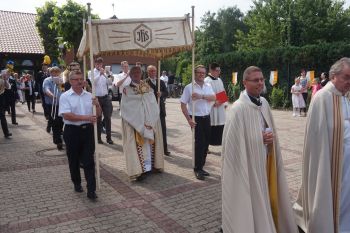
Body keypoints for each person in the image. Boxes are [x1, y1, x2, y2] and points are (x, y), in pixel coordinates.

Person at [221, 66, 298, 233]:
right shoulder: (237, 109)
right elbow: (233, 146)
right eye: (255, 80)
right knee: (253, 198)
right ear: (244, 83)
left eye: (262, 79)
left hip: (264, 161)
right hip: (248, 166)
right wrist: (259, 139)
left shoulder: (264, 103)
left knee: (266, 195)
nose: (260, 83)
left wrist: (269, 140)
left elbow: (267, 129)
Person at [293, 57, 350, 233]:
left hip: (346, 161)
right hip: (331, 161)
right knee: (331, 197)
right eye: (346, 77)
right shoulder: (322, 97)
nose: (349, 82)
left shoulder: (344, 97)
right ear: (333, 76)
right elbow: (316, 139)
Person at [59, 70, 101, 200]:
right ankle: (77, 182)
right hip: (72, 132)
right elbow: (67, 115)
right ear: (70, 81)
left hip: (88, 132)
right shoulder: (65, 96)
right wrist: (87, 117)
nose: (80, 81)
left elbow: (98, 114)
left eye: (81, 79)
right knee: (74, 161)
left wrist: (97, 104)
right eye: (76, 79)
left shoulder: (90, 95)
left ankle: (91, 190)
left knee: (89, 161)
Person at [120, 66, 164, 181]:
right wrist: (141, 99)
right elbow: (126, 106)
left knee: (149, 147)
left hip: (148, 121)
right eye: (133, 73)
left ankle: (150, 168)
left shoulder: (147, 87)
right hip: (136, 122)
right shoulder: (126, 89)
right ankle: (140, 170)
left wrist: (154, 96)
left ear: (141, 74)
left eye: (138, 72)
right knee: (138, 147)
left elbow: (151, 101)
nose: (136, 74)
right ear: (130, 75)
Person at [180, 65, 216, 180]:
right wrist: (189, 120)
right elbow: (183, 104)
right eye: (199, 73)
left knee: (206, 144)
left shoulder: (208, 85)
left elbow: (214, 98)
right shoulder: (189, 87)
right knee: (199, 144)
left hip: (207, 117)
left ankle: (202, 166)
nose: (201, 75)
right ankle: (197, 168)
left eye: (203, 73)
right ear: (195, 74)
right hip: (196, 118)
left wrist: (201, 96)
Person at [145, 65, 170, 156]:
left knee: (163, 129)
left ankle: (165, 149)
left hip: (160, 109)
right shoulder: (144, 83)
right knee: (152, 130)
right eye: (151, 71)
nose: (153, 72)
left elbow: (166, 92)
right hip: (150, 110)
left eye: (154, 71)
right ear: (148, 72)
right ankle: (153, 149)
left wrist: (162, 94)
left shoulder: (161, 82)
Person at [89, 57, 113, 144]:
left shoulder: (105, 73)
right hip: (97, 98)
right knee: (98, 118)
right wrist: (99, 75)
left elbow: (110, 83)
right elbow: (93, 82)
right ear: (95, 64)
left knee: (108, 117)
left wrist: (107, 75)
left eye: (100, 63)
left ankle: (109, 138)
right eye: (97, 64)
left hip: (106, 97)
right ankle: (98, 138)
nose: (99, 65)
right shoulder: (91, 72)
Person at [204, 63, 227, 147]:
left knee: (220, 126)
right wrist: (214, 102)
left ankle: (218, 142)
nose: (219, 72)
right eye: (217, 70)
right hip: (211, 109)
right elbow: (205, 94)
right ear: (211, 70)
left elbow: (223, 92)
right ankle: (207, 145)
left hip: (220, 107)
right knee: (209, 127)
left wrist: (223, 101)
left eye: (219, 70)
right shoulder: (206, 81)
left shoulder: (219, 80)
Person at [43, 66, 64, 150]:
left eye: (57, 72)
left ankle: (58, 134)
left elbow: (63, 90)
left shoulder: (61, 80)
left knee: (61, 121)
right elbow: (46, 89)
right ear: (51, 73)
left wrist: (60, 85)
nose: (55, 74)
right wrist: (52, 95)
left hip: (61, 104)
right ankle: (57, 141)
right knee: (55, 122)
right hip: (51, 104)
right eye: (53, 72)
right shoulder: (47, 80)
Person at [0, 70, 12, 138]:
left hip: (1, 99)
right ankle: (6, 133)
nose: (8, 75)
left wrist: (4, 80)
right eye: (7, 74)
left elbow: (8, 87)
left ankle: (6, 133)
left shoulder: (4, 80)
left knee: (2, 116)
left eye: (8, 74)